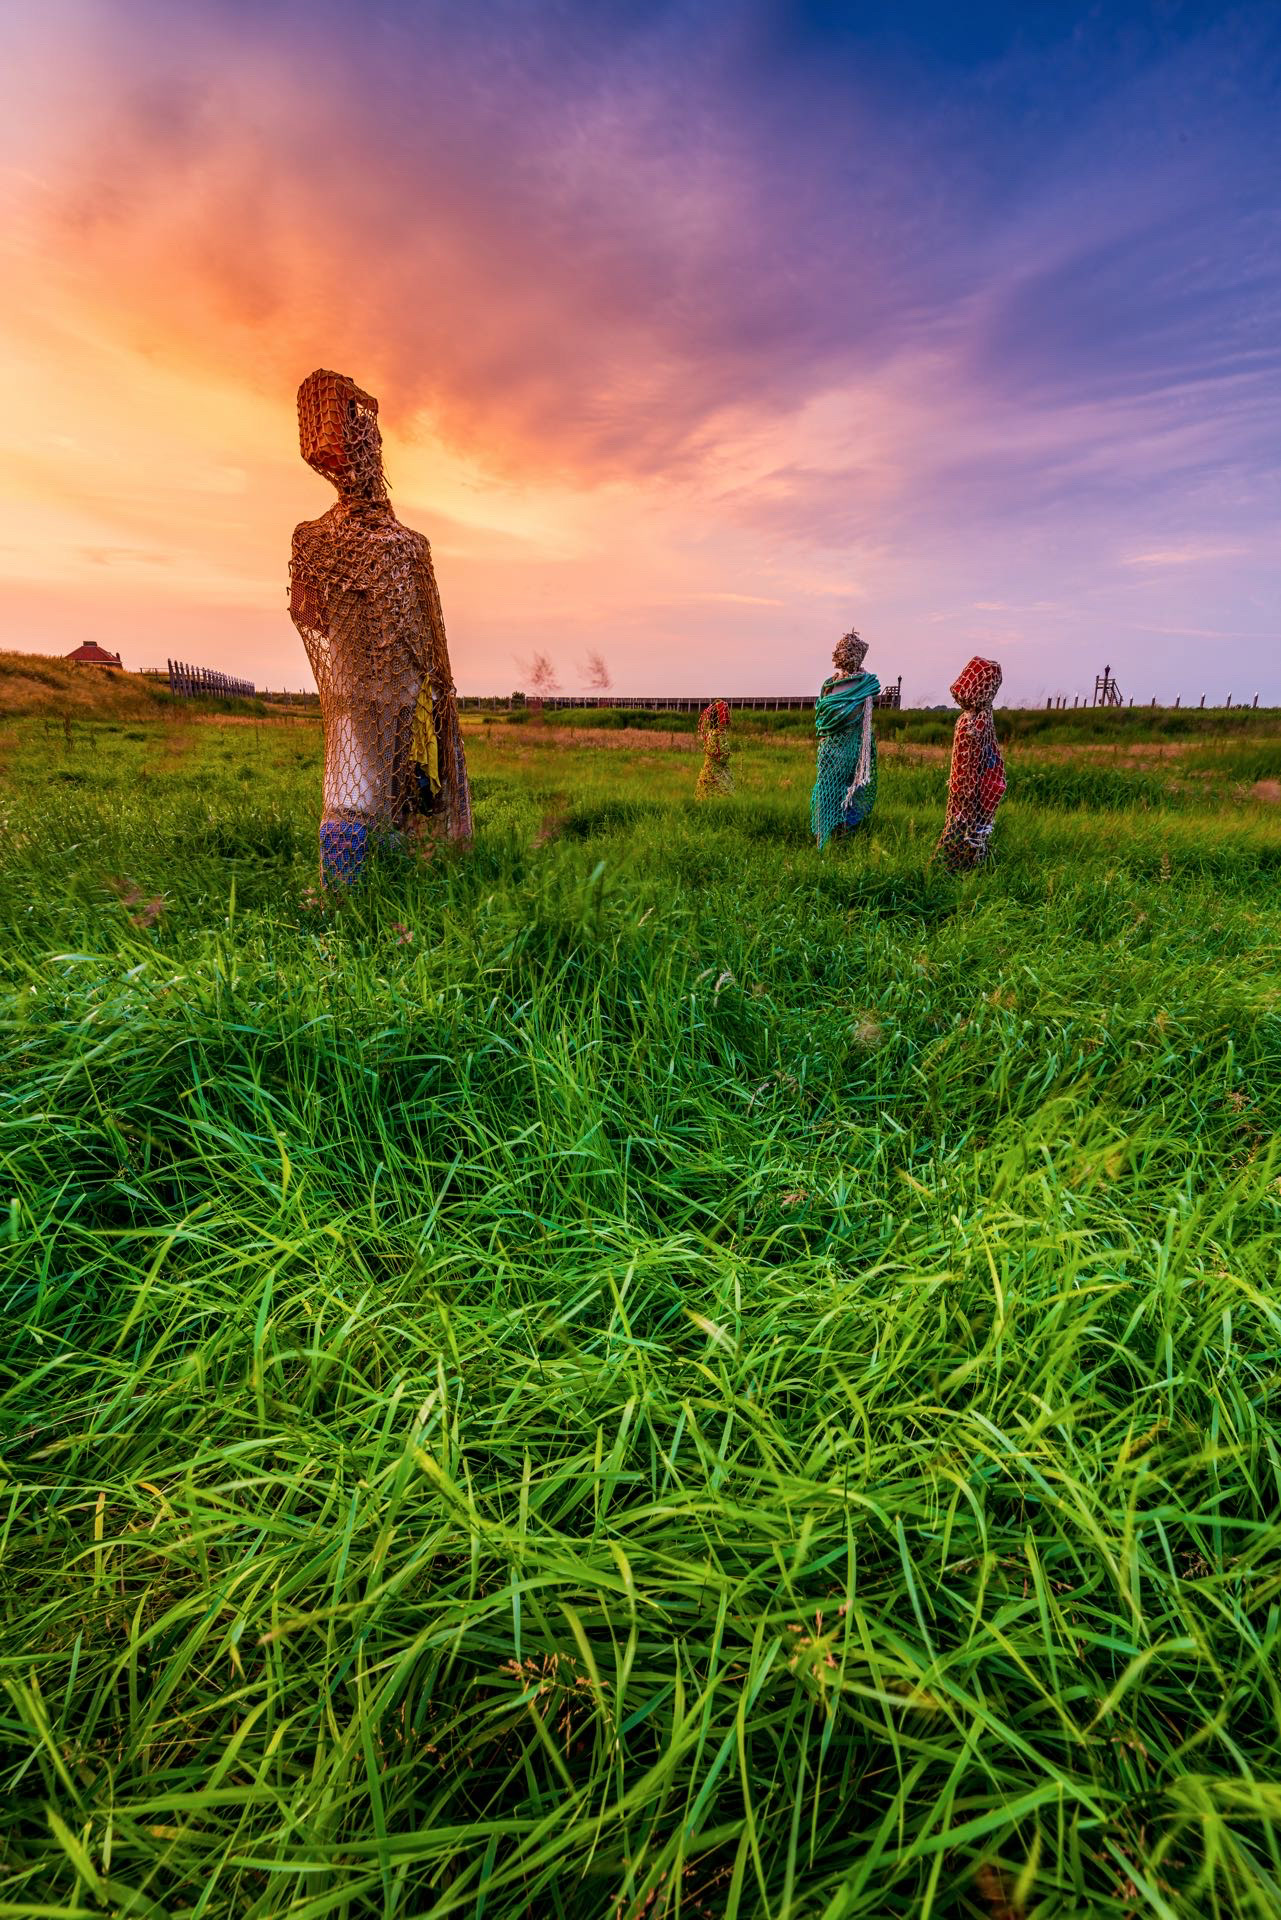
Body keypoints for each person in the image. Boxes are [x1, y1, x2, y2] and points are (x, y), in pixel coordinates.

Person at [288, 369, 472, 882]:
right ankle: (355, 901)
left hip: (372, 691)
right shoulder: (404, 545)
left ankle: (369, 895)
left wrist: (355, 617)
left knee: (366, 799)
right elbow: (432, 639)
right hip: (393, 693)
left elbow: (308, 614)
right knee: (367, 800)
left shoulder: (318, 540)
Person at [811, 629, 880, 849]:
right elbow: (822, 719)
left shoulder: (865, 685)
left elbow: (865, 723)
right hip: (829, 750)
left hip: (851, 750)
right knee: (826, 791)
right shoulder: (830, 685)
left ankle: (842, 834)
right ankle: (825, 836)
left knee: (849, 791)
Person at [936, 656, 1006, 870]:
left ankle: (955, 867)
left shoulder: (975, 724)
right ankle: (971, 863)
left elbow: (972, 763)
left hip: (970, 791)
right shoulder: (976, 719)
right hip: (969, 788)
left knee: (964, 829)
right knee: (971, 829)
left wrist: (967, 793)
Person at [696, 700, 733, 798]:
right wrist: (726, 755)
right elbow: (721, 754)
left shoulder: (710, 733)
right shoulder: (719, 734)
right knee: (719, 791)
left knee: (710, 790)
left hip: (712, 769)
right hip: (717, 770)